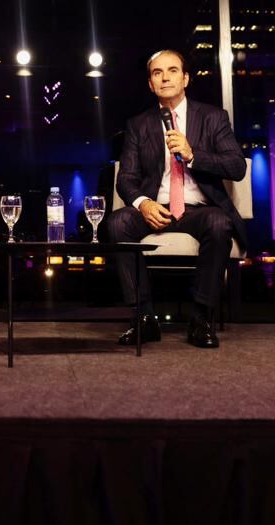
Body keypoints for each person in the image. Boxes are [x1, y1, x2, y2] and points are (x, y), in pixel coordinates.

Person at [106, 49, 247, 349]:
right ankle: (144, 319)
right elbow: (126, 179)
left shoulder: (212, 117)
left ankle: (201, 319)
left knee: (219, 223)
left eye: (172, 71)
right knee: (117, 223)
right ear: (150, 84)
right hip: (156, 208)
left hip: (199, 209)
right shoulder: (138, 125)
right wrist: (143, 203)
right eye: (157, 73)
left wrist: (194, 154)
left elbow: (237, 167)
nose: (165, 77)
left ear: (185, 78)